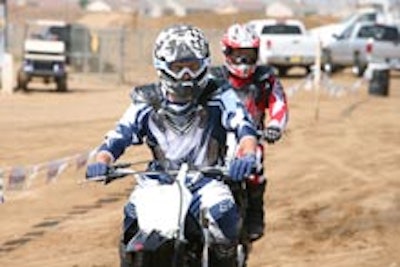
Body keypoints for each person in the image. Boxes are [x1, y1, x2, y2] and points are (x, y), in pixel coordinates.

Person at [85, 24, 258, 266]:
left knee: (223, 215)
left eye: (193, 66)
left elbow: (244, 127)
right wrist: (102, 161)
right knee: (132, 218)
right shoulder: (145, 100)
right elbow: (118, 136)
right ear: (162, 66)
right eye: (178, 68)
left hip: (206, 182)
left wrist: (248, 155)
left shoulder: (220, 95)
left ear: (205, 63)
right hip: (157, 181)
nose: (186, 75)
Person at [209, 23, 289, 242]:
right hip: (218, 139)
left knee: (256, 167)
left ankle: (255, 213)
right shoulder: (213, 79)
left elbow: (279, 103)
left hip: (253, 138)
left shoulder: (265, 79)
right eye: (238, 55)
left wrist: (275, 126)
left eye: (249, 55)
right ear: (227, 52)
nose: (243, 61)